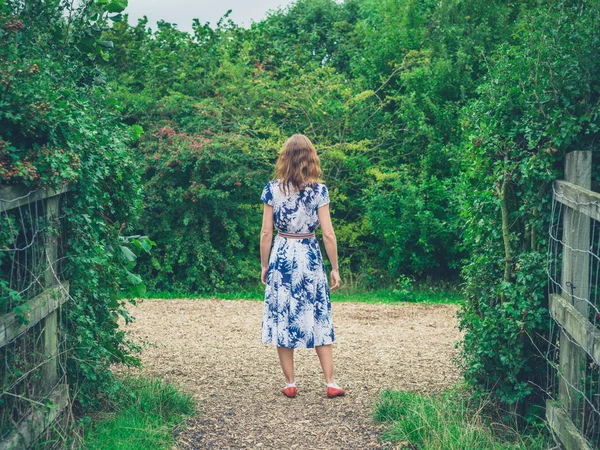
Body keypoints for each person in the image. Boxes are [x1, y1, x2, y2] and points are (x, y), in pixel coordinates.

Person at [260, 134, 344, 399]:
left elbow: (265, 233)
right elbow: (328, 234)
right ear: (311, 157)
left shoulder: (272, 189)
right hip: (309, 255)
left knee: (284, 314)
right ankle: (330, 382)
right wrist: (335, 267)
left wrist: (264, 266)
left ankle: (290, 383)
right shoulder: (320, 191)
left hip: (283, 254)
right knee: (318, 313)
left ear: (285, 157)